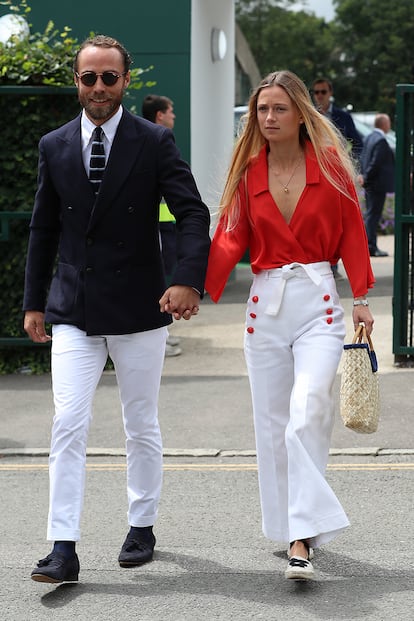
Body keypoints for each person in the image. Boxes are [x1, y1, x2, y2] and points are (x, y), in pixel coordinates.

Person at [23, 34, 210, 584]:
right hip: (74, 306)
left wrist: (187, 282)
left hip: (140, 303)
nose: (99, 87)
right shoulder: (54, 145)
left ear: (127, 81)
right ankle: (62, 546)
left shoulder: (154, 141)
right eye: (89, 78)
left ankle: (142, 524)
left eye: (109, 77)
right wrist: (34, 302)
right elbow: (44, 227)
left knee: (140, 423)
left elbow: (192, 213)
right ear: (76, 82)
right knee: (68, 423)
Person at [205, 70, 374, 581]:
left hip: (319, 303)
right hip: (265, 308)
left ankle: (304, 534)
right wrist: (192, 286)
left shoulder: (330, 168)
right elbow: (230, 239)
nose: (269, 118)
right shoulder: (249, 172)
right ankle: (290, 528)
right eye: (262, 110)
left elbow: (352, 233)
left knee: (307, 412)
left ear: (302, 112)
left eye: (279, 108)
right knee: (273, 427)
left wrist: (361, 297)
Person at [311, 77, 363, 280]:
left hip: (336, 173)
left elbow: (358, 143)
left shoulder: (342, 116)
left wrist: (353, 167)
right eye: (316, 92)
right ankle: (324, 261)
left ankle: (333, 263)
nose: (320, 96)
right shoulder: (309, 116)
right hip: (313, 171)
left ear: (330, 93)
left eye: (323, 92)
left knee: (338, 218)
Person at [142, 94, 182, 356]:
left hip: (163, 223)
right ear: (159, 115)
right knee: (154, 280)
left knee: (160, 278)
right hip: (155, 225)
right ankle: (156, 333)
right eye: (170, 111)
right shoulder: (154, 139)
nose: (173, 116)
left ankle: (160, 333)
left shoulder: (152, 138)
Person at [358, 113, 395, 257]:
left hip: (369, 184)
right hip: (377, 184)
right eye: (389, 122)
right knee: (374, 215)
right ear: (384, 124)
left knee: (370, 214)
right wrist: (366, 176)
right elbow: (375, 162)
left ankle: (369, 244)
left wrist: (362, 175)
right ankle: (371, 246)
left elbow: (362, 158)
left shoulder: (368, 138)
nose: (390, 125)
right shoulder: (380, 140)